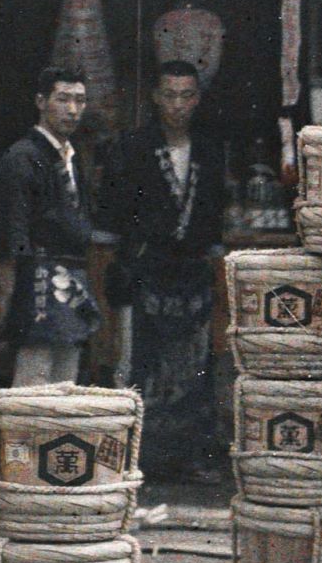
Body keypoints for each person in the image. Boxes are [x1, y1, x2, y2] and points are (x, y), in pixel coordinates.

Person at [98, 60, 229, 479]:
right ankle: (139, 460)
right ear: (156, 97)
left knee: (193, 366)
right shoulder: (131, 146)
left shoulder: (209, 149)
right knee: (141, 365)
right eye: (170, 95)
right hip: (146, 269)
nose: (178, 105)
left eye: (186, 95)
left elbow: (214, 216)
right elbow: (110, 216)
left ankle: (190, 458)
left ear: (198, 98)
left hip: (191, 272)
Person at [0, 68, 101, 387]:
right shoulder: (22, 157)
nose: (72, 109)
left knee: (65, 382)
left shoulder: (68, 156)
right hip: (36, 278)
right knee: (34, 382)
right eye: (63, 99)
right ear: (41, 101)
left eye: (80, 100)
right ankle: (24, 439)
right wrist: (8, 292)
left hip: (70, 277)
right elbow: (11, 231)